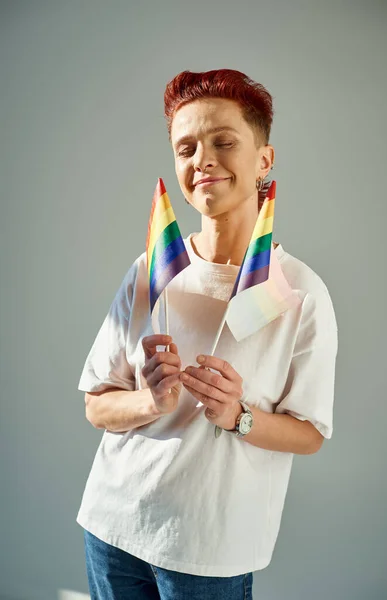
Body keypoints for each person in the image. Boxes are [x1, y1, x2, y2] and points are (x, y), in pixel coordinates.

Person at [77, 69, 338, 600]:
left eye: (223, 142)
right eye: (186, 147)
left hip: (208, 547)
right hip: (112, 526)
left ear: (264, 160)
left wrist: (237, 416)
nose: (203, 160)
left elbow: (310, 432)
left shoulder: (300, 291)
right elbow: (97, 406)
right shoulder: (151, 268)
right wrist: (148, 400)